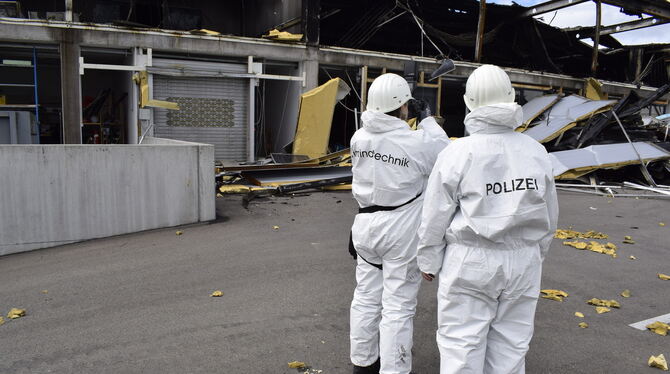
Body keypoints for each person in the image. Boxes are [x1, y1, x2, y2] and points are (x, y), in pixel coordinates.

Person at [417, 64, 559, 374]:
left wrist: (428, 259)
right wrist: (536, 253)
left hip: (470, 261)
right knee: (511, 350)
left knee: (462, 350)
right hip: (524, 261)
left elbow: (435, 213)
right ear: (511, 100)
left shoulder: (459, 152)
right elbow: (549, 215)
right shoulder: (536, 151)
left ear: (469, 103)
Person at [349, 73, 450, 374]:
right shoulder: (416, 141)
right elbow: (443, 156)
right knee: (398, 306)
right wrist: (428, 119)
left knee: (365, 298)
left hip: (364, 225)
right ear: (404, 107)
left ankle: (363, 364)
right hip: (400, 231)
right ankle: (394, 370)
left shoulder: (359, 137)